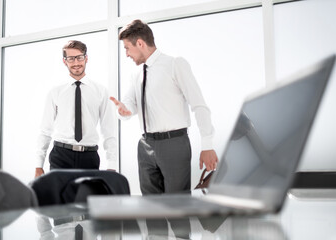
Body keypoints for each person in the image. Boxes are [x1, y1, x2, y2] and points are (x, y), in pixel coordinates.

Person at [110, 19, 218, 195]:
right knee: (152, 209)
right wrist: (123, 111)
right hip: (145, 145)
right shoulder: (136, 73)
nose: (127, 54)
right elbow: (129, 105)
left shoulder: (175, 64)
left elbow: (199, 105)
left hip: (174, 144)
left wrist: (207, 144)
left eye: (127, 48)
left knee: (177, 208)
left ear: (140, 43)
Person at [35, 40, 117, 178]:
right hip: (61, 155)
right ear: (64, 61)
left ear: (86, 58)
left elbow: (108, 130)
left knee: (87, 198)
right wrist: (39, 165)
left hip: (89, 157)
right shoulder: (55, 92)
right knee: (59, 199)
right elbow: (45, 130)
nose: (76, 62)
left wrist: (112, 165)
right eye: (71, 59)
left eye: (79, 57)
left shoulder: (101, 91)